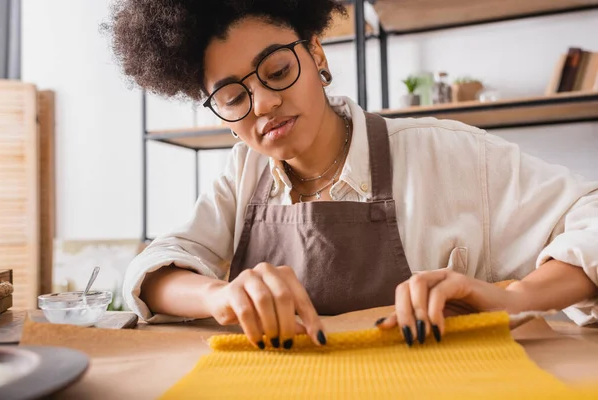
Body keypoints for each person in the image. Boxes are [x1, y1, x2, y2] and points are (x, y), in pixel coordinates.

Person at [107, 0, 598, 350]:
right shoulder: (242, 176)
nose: (264, 103)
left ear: (317, 55)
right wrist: (221, 295)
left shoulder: (447, 153)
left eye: (277, 71)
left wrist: (514, 298)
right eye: (234, 97)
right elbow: (152, 271)